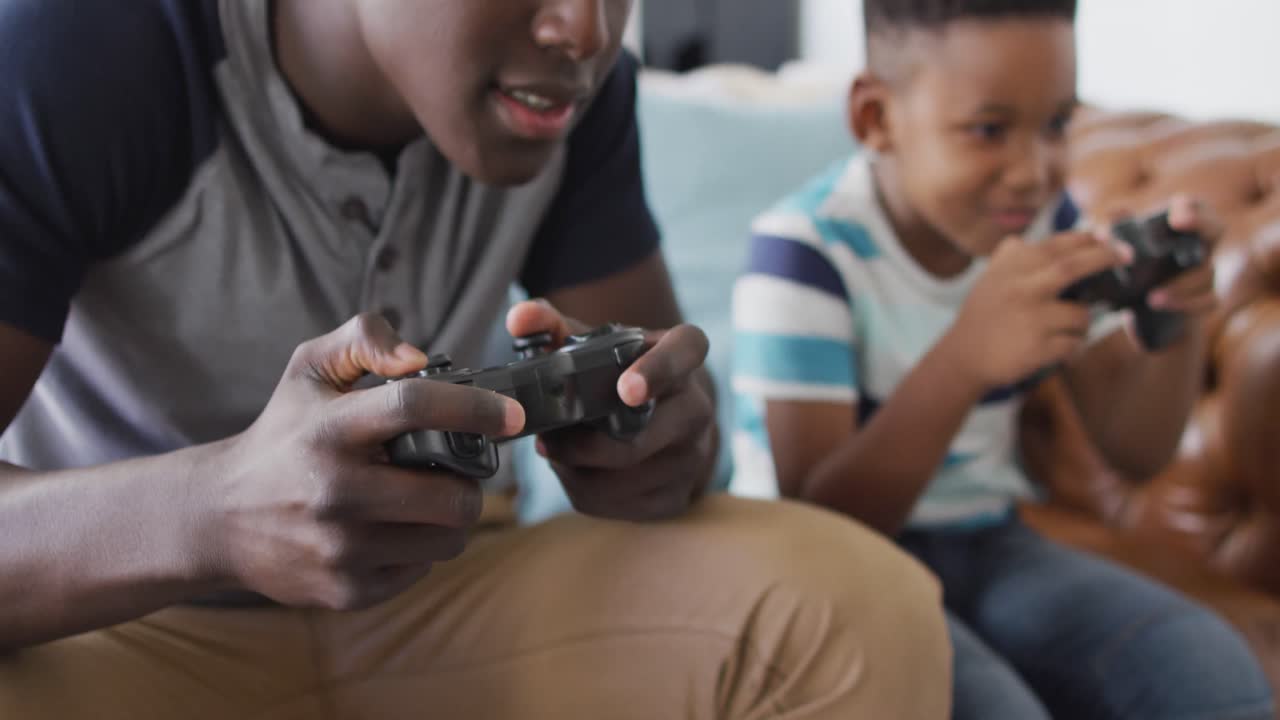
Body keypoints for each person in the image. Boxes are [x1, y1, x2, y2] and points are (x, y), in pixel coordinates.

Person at [0, 1, 953, 718]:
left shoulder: (573, 98)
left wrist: (664, 443)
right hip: (118, 631)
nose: (585, 27)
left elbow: (674, 437)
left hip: (444, 595)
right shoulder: (89, 45)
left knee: (859, 607)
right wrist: (215, 513)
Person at [730, 1, 1275, 718]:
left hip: (988, 541)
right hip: (827, 571)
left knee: (1212, 674)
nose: (1033, 172)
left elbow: (1136, 452)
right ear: (875, 117)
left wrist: (1174, 317)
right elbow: (821, 520)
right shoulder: (802, 254)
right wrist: (965, 360)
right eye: (989, 130)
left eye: (1056, 125)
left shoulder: (1046, 225)